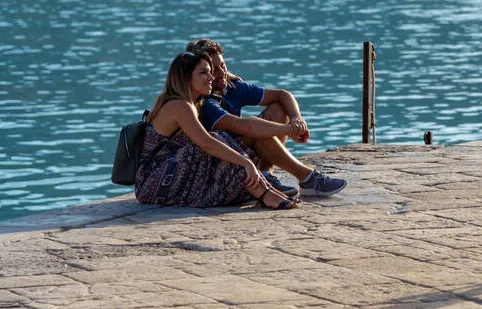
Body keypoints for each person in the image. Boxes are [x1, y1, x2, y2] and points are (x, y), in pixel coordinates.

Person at [134, 51, 298, 210]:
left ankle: (262, 189)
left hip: (171, 175)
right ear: (185, 77)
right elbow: (206, 142)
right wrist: (246, 162)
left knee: (224, 142)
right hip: (152, 182)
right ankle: (265, 194)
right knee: (215, 139)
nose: (211, 77)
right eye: (204, 73)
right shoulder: (179, 106)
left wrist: (227, 76)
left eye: (211, 72)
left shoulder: (193, 103)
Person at [186, 39, 347, 197]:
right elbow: (246, 127)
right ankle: (308, 178)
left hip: (241, 157)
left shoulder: (230, 87)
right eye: (213, 70)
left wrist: (296, 119)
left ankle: (266, 175)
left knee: (278, 108)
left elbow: (282, 95)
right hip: (215, 170)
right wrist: (289, 130)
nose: (221, 73)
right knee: (256, 132)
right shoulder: (203, 103)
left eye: (223, 66)